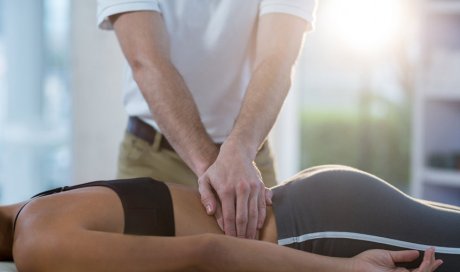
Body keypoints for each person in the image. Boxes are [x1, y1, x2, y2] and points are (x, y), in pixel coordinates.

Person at [96, 0, 316, 239]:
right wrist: (217, 171)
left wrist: (239, 153)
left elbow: (278, 59)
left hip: (247, 162)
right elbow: (147, 60)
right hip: (154, 157)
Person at [3, 165, 457, 271]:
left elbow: (207, 251)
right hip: (314, 212)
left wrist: (349, 270)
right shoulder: (33, 207)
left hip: (315, 233)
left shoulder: (38, 241)